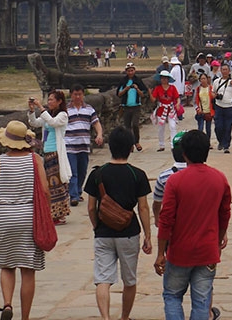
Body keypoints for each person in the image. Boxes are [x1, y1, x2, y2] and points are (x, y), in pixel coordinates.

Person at [155, 130, 231, 320]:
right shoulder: (219, 179)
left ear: (184, 154)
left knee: (172, 296)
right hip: (207, 250)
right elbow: (224, 215)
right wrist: (219, 239)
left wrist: (160, 253)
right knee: (202, 300)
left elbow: (166, 219)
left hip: (179, 250)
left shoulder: (175, 181)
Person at [0, 120, 49, 320]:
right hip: (28, 215)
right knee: (28, 270)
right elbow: (44, 190)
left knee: (7, 265)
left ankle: (7, 304)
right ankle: (25, 317)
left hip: (5, 216)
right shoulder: (35, 161)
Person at [83, 127, 152, 320]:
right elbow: (143, 208)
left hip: (104, 233)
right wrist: (148, 235)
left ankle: (105, 317)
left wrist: (97, 226)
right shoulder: (137, 174)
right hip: (129, 233)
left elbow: (90, 207)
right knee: (129, 280)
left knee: (103, 279)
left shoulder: (98, 174)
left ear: (110, 146)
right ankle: (124, 317)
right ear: (131, 148)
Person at [28, 90, 71, 224]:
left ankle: (59, 213)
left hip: (56, 153)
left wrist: (41, 108)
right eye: (49, 99)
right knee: (47, 184)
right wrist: (31, 111)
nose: (49, 102)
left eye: (52, 100)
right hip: (47, 152)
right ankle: (52, 213)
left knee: (56, 184)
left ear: (59, 102)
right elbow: (35, 123)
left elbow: (52, 123)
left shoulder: (63, 115)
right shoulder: (49, 114)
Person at [65, 84, 104, 208]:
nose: (77, 97)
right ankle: (74, 195)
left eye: (80, 94)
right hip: (70, 144)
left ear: (83, 95)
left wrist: (99, 134)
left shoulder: (89, 109)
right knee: (73, 172)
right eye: (75, 94)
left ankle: (78, 191)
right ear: (71, 95)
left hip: (84, 144)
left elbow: (96, 123)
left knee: (82, 171)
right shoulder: (65, 110)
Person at [152, 132, 188, 227]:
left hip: (174, 227)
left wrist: (157, 218)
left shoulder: (164, 177)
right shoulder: (205, 176)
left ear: (173, 152)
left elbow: (157, 203)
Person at [116, 62, 149, 152]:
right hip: (126, 107)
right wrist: (126, 89)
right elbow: (119, 94)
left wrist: (137, 89)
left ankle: (136, 141)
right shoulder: (123, 81)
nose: (130, 72)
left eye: (132, 70)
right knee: (127, 127)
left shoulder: (138, 80)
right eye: (129, 71)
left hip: (136, 107)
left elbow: (143, 94)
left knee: (135, 124)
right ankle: (130, 144)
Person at [151, 71, 181, 152]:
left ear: (168, 79)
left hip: (170, 109)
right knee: (161, 128)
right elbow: (153, 99)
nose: (164, 79)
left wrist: (178, 104)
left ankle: (173, 145)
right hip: (161, 109)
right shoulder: (158, 88)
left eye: (165, 78)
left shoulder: (172, 88)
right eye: (162, 78)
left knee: (173, 126)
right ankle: (161, 144)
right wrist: (150, 93)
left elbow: (177, 97)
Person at [212, 64, 232, 154]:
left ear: (229, 71)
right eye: (223, 69)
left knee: (228, 127)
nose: (224, 71)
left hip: (229, 107)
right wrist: (215, 96)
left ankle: (226, 145)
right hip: (219, 106)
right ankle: (221, 141)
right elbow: (212, 92)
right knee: (218, 127)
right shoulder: (216, 81)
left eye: (226, 69)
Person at [193, 72, 214, 140]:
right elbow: (195, 101)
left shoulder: (211, 88)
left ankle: (208, 141)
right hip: (201, 111)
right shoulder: (198, 89)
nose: (203, 80)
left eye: (204, 78)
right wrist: (197, 109)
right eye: (201, 79)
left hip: (209, 111)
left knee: (208, 129)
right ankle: (200, 142)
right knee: (200, 128)